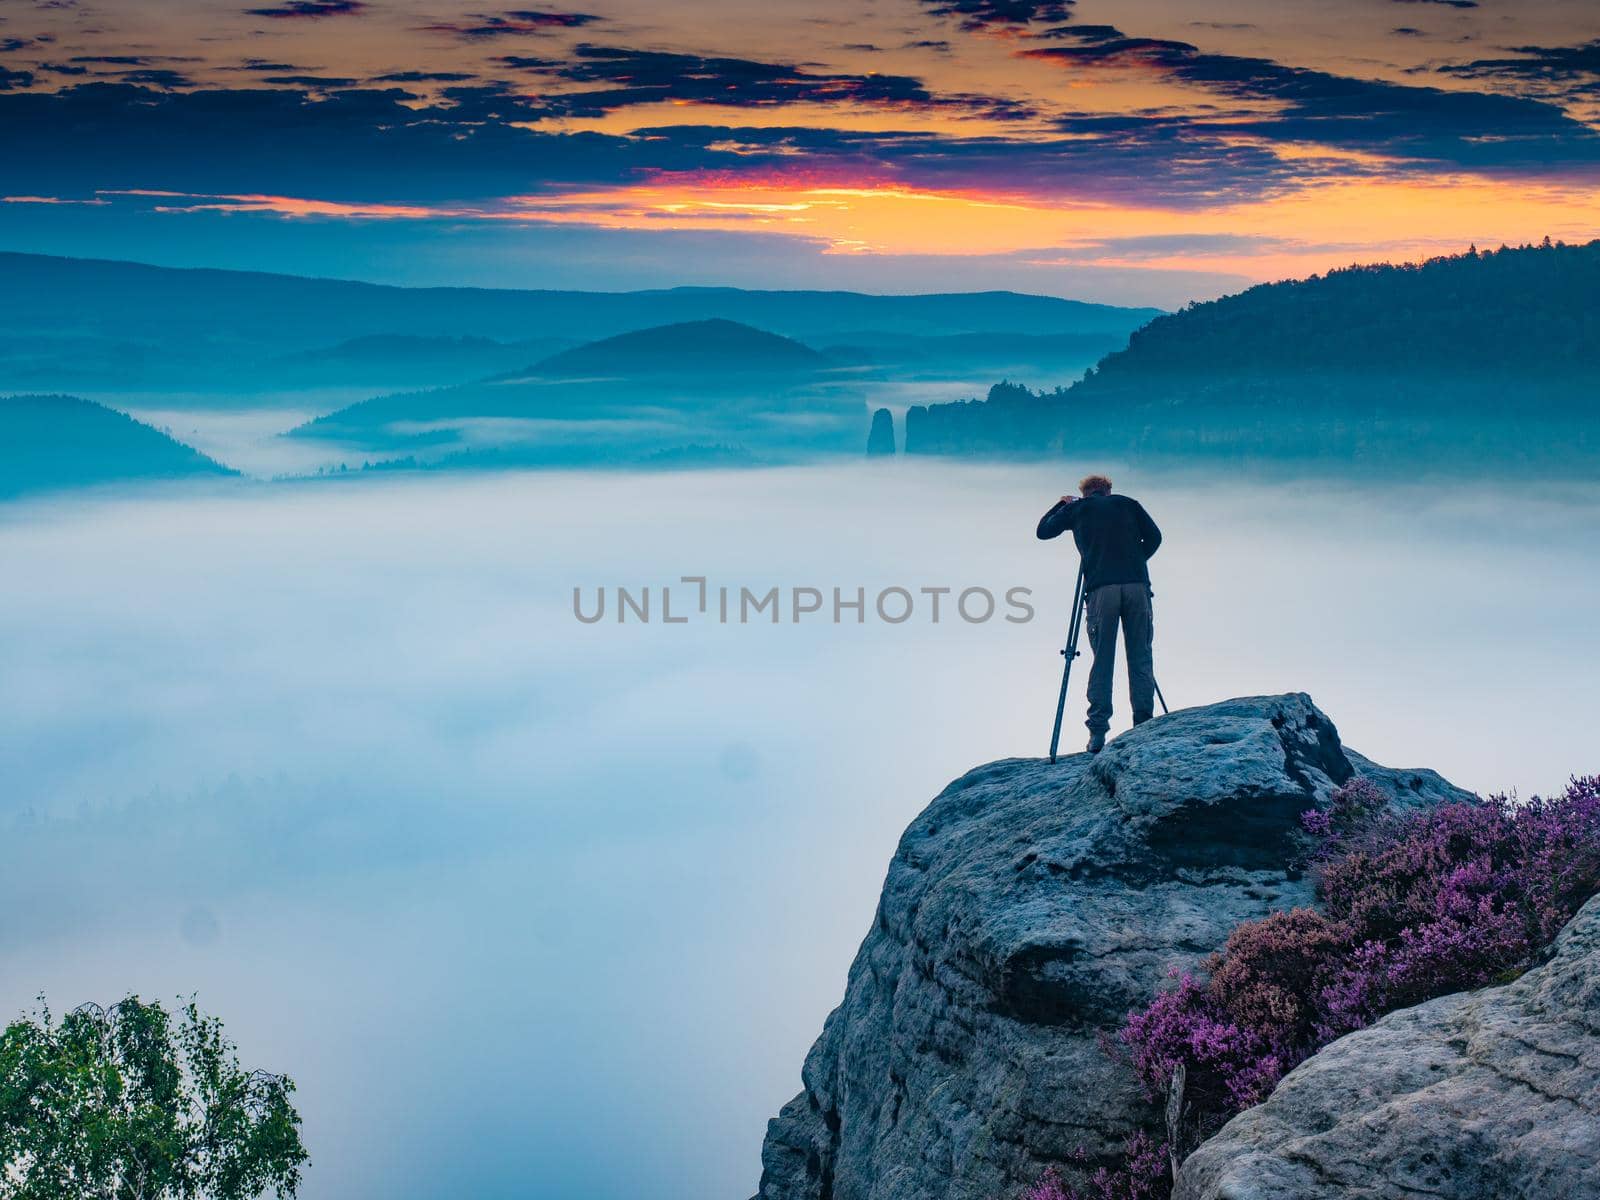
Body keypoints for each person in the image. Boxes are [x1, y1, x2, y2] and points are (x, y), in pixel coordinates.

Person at [1036, 474, 1162, 754]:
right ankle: (1143, 725)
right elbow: (1155, 537)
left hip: (1101, 590)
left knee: (1102, 661)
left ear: (1085, 493)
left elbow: (1043, 531)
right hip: (1137, 587)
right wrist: (1137, 560)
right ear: (1108, 491)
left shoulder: (1077, 509)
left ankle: (1097, 734)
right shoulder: (1130, 504)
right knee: (1140, 656)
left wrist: (1061, 504)